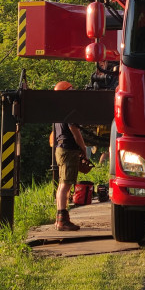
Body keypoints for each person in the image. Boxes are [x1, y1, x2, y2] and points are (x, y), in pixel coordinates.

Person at [52, 81, 88, 231]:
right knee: (65, 185)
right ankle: (62, 220)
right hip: (68, 150)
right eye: (71, 90)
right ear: (66, 92)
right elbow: (75, 130)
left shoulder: (58, 110)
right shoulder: (69, 110)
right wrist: (83, 148)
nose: (74, 92)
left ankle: (60, 219)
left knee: (62, 184)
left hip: (61, 149)